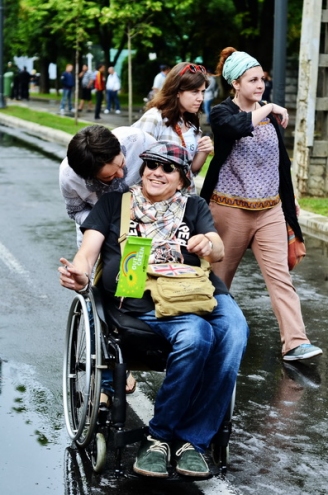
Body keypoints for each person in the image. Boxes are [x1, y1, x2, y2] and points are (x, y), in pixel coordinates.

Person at [58, 141, 249, 478]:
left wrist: (209, 244)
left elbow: (217, 245)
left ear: (183, 179)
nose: (156, 172)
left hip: (198, 294)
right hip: (139, 303)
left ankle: (193, 440)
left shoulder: (194, 205)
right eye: (151, 165)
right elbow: (88, 252)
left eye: (168, 168)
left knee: (235, 332)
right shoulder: (115, 204)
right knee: (197, 335)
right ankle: (160, 438)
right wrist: (79, 273)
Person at [200, 47, 323, 362]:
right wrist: (268, 108)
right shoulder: (221, 111)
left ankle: (295, 342)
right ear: (235, 84)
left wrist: (290, 204)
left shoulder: (270, 117)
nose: (260, 85)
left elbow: (279, 165)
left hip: (269, 210)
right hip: (229, 210)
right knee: (218, 279)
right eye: (252, 80)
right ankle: (203, 337)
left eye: (262, 79)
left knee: (281, 277)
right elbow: (236, 127)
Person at [59, 125, 156, 247]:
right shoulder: (69, 177)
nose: (121, 175)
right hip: (100, 232)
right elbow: (76, 211)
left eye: (122, 164)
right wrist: (104, 223)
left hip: (149, 223)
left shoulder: (138, 141)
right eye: (108, 176)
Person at [132, 62, 214, 193]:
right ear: (177, 91)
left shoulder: (191, 122)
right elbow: (134, 166)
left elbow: (189, 172)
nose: (201, 98)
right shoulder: (155, 118)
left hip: (184, 202)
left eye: (202, 92)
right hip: (156, 206)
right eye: (195, 92)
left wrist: (203, 151)